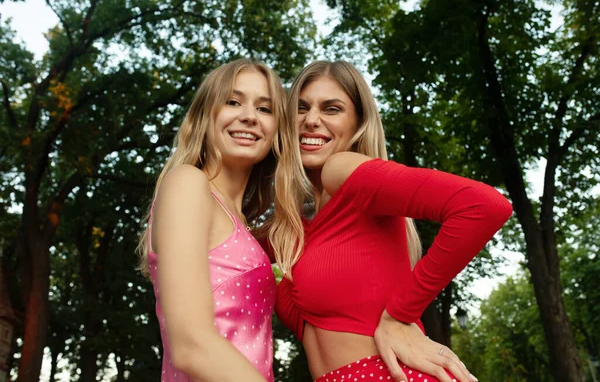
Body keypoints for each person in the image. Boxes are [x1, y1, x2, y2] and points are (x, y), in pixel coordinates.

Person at [268, 61, 513, 382]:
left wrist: (400, 315)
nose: (311, 120)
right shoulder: (297, 226)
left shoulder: (341, 169)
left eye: (331, 109)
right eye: (300, 108)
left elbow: (484, 205)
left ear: (358, 122)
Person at [136, 58, 287, 382]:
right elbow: (191, 344)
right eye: (232, 102)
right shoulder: (188, 183)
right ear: (206, 114)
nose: (248, 116)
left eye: (265, 109)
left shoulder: (242, 221)